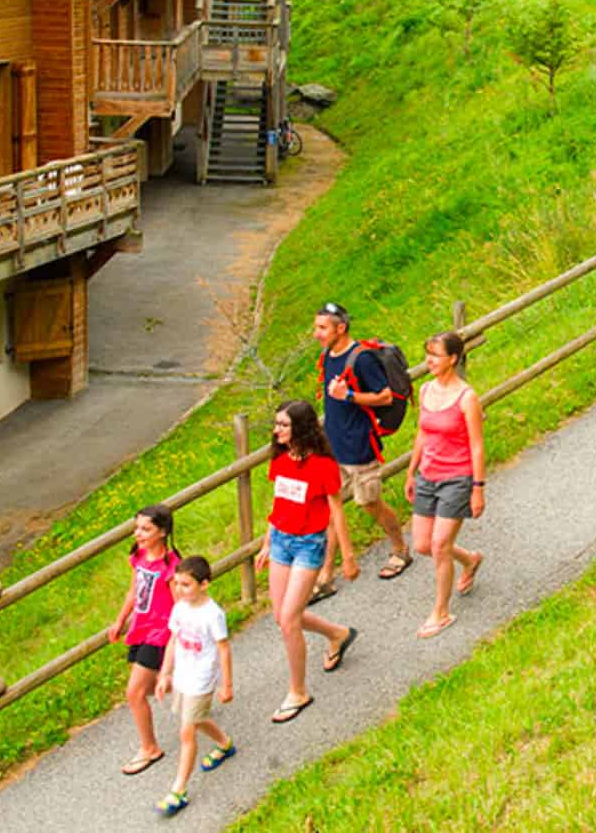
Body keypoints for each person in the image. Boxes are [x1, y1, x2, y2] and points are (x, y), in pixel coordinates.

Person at [252, 400, 359, 724]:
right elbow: (279, 501)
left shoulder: (323, 466)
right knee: (282, 616)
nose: (277, 431)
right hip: (282, 541)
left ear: (300, 427)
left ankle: (298, 691)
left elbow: (336, 511)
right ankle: (338, 634)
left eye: (283, 425)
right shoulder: (281, 460)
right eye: (277, 424)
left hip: (308, 545)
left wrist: (347, 556)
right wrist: (267, 543)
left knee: (289, 619)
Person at [310, 302, 410, 596]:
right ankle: (326, 575)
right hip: (333, 445)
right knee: (331, 507)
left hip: (359, 446)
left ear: (340, 328)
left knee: (370, 504)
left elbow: (384, 397)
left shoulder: (362, 359)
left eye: (322, 328)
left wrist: (350, 395)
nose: (316, 334)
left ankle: (401, 548)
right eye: (316, 327)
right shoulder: (328, 355)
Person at [404, 331, 486, 639]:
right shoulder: (425, 390)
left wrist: (478, 488)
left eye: (435, 355)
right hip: (428, 476)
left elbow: (477, 446)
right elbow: (423, 434)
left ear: (452, 358)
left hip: (458, 477)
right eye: (427, 354)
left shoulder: (467, 398)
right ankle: (469, 559)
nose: (429, 361)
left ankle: (440, 612)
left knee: (439, 546)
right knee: (423, 545)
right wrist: (412, 471)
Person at [153, 556, 234, 817]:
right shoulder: (180, 609)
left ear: (204, 584)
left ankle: (178, 790)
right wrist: (165, 674)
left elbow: (223, 649)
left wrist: (227, 684)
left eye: (186, 585)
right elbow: (173, 641)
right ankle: (224, 743)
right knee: (196, 720)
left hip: (201, 680)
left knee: (187, 733)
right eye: (177, 584)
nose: (179, 589)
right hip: (182, 677)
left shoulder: (213, 615)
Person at [105, 504, 179, 776]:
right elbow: (134, 590)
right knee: (149, 689)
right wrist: (120, 620)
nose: (139, 533)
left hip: (160, 633)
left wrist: (176, 638)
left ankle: (149, 748)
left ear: (162, 532)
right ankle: (191, 686)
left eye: (146, 529)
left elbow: (180, 608)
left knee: (134, 693)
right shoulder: (139, 557)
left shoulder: (171, 567)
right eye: (137, 528)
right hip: (141, 628)